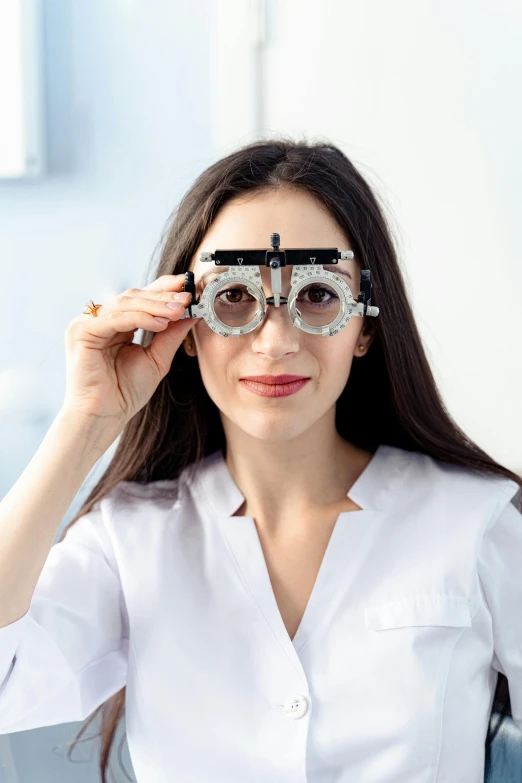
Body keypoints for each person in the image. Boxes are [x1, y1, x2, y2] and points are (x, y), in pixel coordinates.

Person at [0, 138, 520, 783]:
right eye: (235, 298)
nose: (277, 341)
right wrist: (84, 423)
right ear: (183, 323)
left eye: (319, 296)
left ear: (366, 326)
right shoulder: (128, 538)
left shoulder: (476, 521)